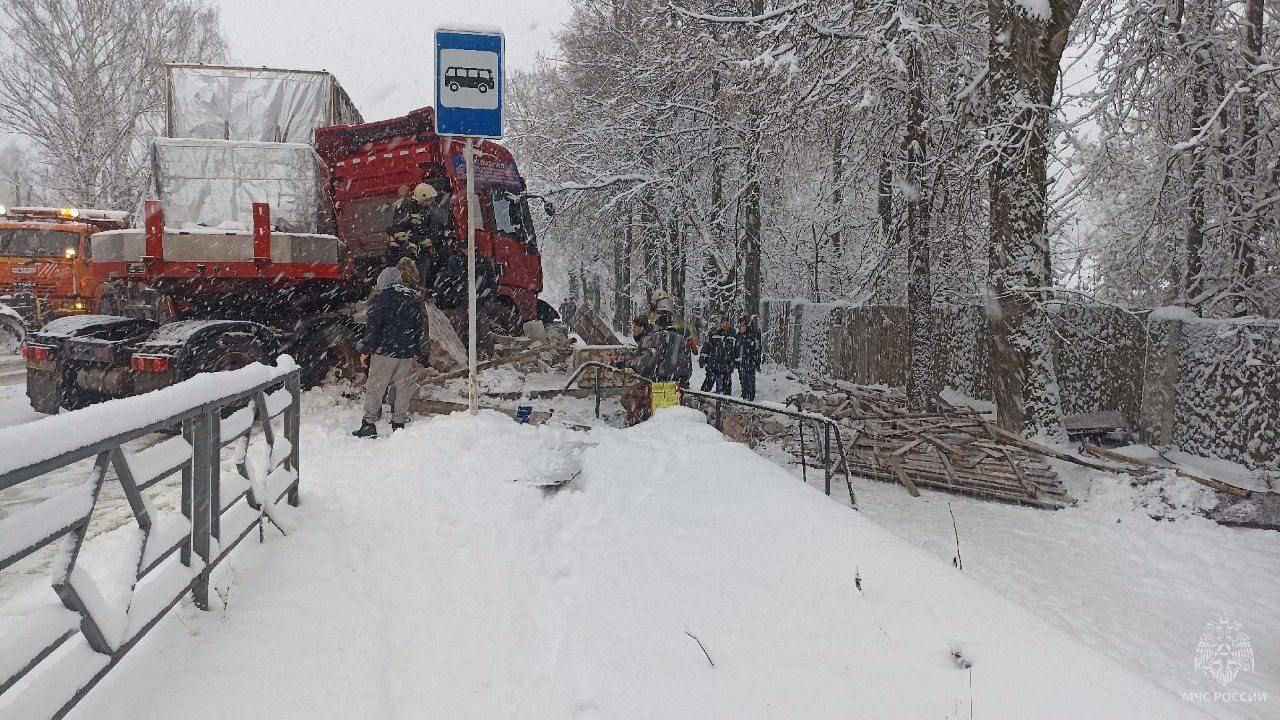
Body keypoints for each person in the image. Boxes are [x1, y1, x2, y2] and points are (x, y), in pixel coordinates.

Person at [353, 266, 424, 438]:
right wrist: (414, 349)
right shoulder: (413, 297)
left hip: (385, 351)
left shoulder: (381, 298)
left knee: (375, 387)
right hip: (405, 351)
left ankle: (369, 424)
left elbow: (373, 327)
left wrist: (366, 350)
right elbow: (419, 327)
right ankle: (399, 423)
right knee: (402, 387)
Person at [698, 316, 737, 394]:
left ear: (729, 324)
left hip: (727, 365)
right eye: (723, 323)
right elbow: (706, 347)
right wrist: (702, 359)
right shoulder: (714, 333)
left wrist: (734, 362)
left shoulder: (733, 335)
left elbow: (736, 350)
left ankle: (726, 403)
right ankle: (701, 398)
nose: (725, 324)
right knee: (708, 384)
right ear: (720, 324)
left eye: (727, 323)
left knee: (727, 387)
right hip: (714, 364)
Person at [736, 315, 762, 401]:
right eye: (740, 324)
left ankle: (750, 398)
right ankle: (744, 396)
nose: (741, 326)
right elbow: (736, 348)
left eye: (742, 324)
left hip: (750, 361)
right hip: (741, 362)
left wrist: (757, 361)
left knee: (750, 379)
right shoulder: (738, 335)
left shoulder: (753, 334)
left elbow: (757, 348)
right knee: (742, 379)